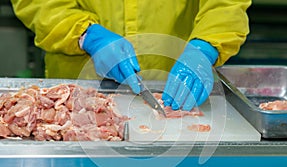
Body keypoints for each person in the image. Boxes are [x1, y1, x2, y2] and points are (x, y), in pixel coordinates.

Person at [11, 0, 251, 111]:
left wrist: (205, 46)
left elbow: (225, 4)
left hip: (172, 79)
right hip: (78, 88)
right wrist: (85, 33)